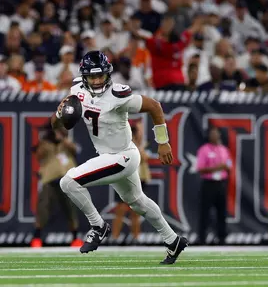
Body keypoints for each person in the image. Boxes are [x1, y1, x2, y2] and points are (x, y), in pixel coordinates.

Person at [52, 51, 187, 264]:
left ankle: (98, 225)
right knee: (137, 202)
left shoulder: (117, 96)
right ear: (84, 77)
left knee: (68, 182)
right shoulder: (77, 89)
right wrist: (59, 115)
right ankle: (173, 240)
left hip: (122, 156)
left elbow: (154, 106)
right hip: (110, 156)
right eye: (92, 77)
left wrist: (163, 141)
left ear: (108, 75)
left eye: (101, 76)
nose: (97, 81)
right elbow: (57, 123)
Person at [30, 123, 81, 248]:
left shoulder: (66, 144)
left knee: (70, 208)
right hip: (49, 180)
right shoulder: (45, 144)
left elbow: (76, 150)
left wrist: (63, 140)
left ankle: (75, 237)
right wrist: (45, 141)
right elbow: (38, 155)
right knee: (43, 207)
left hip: (66, 180)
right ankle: (37, 237)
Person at [111, 121, 152, 244]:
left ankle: (135, 237)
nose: (139, 133)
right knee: (121, 209)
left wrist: (140, 146)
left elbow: (145, 158)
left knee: (137, 210)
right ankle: (115, 238)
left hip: (139, 179)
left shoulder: (141, 145)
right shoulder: (124, 144)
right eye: (137, 131)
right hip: (125, 180)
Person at [195, 126, 232, 245]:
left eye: (216, 134)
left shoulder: (224, 149)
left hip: (221, 183)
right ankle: (202, 238)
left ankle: (222, 238)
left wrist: (225, 167)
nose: (215, 136)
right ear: (209, 136)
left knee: (222, 212)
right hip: (208, 184)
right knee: (205, 212)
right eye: (212, 134)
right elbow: (200, 168)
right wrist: (217, 168)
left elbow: (229, 164)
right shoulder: (204, 150)